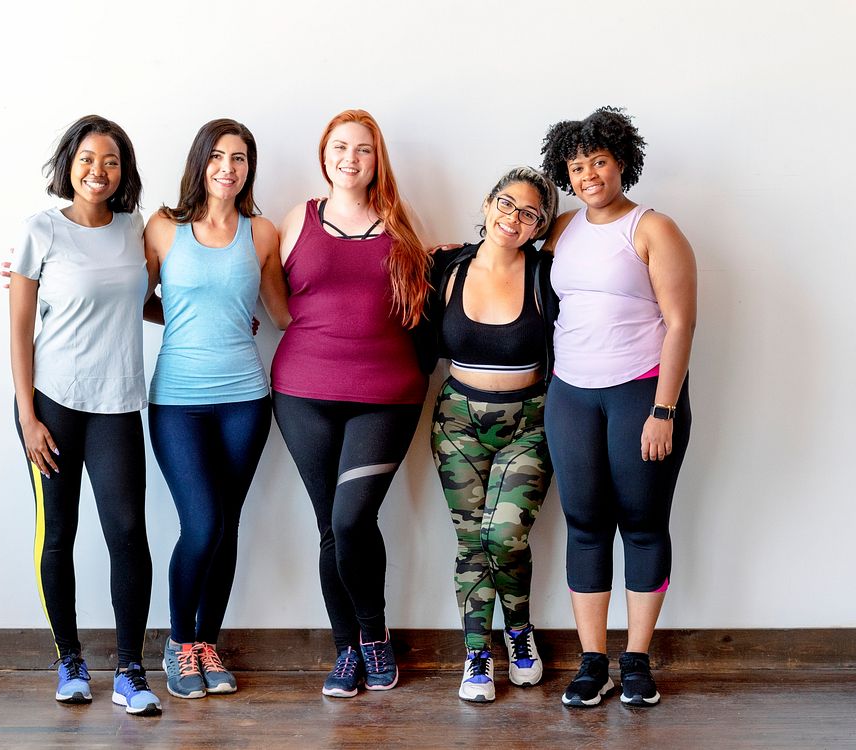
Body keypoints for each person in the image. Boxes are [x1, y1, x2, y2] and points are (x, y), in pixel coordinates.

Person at [270, 109, 430, 698]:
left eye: (363, 149)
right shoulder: (296, 220)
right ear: (324, 154)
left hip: (386, 396)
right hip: (302, 393)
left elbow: (419, 302)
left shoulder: (399, 223)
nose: (350, 158)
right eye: (340, 147)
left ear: (376, 159)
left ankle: (374, 635)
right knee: (330, 529)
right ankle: (346, 650)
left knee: (350, 518)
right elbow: (276, 302)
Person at [539, 107, 696, 708]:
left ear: (621, 162)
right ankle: (592, 662)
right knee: (584, 524)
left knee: (643, 523)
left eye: (598, 162)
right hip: (571, 397)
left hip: (642, 393)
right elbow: (506, 248)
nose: (587, 176)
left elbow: (681, 323)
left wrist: (664, 409)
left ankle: (635, 661)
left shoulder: (653, 228)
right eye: (576, 168)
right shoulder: (561, 231)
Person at [8, 115, 161, 715]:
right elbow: (20, 329)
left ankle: (129, 669)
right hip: (51, 404)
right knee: (59, 536)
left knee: (128, 534)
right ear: (69, 163)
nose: (99, 171)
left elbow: (140, 303)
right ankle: (69, 659)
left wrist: (200, 317)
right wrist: (27, 416)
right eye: (88, 159)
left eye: (112, 161)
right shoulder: (39, 230)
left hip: (117, 403)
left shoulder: (135, 229)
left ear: (124, 172)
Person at [143, 119, 290, 700]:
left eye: (240, 158)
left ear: (249, 168)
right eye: (218, 157)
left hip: (245, 402)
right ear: (200, 162)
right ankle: (180, 645)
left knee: (224, 527)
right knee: (201, 524)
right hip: (178, 400)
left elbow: (283, 316)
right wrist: (34, 280)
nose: (228, 167)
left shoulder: (262, 233)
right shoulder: (162, 229)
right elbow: (131, 299)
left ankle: (207, 642)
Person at [428, 167, 559, 703]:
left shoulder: (547, 271)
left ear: (540, 226)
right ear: (487, 204)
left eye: (530, 213)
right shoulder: (446, 265)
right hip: (456, 421)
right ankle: (478, 654)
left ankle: (520, 632)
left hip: (528, 422)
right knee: (471, 543)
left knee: (505, 536)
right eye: (507, 204)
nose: (514, 218)